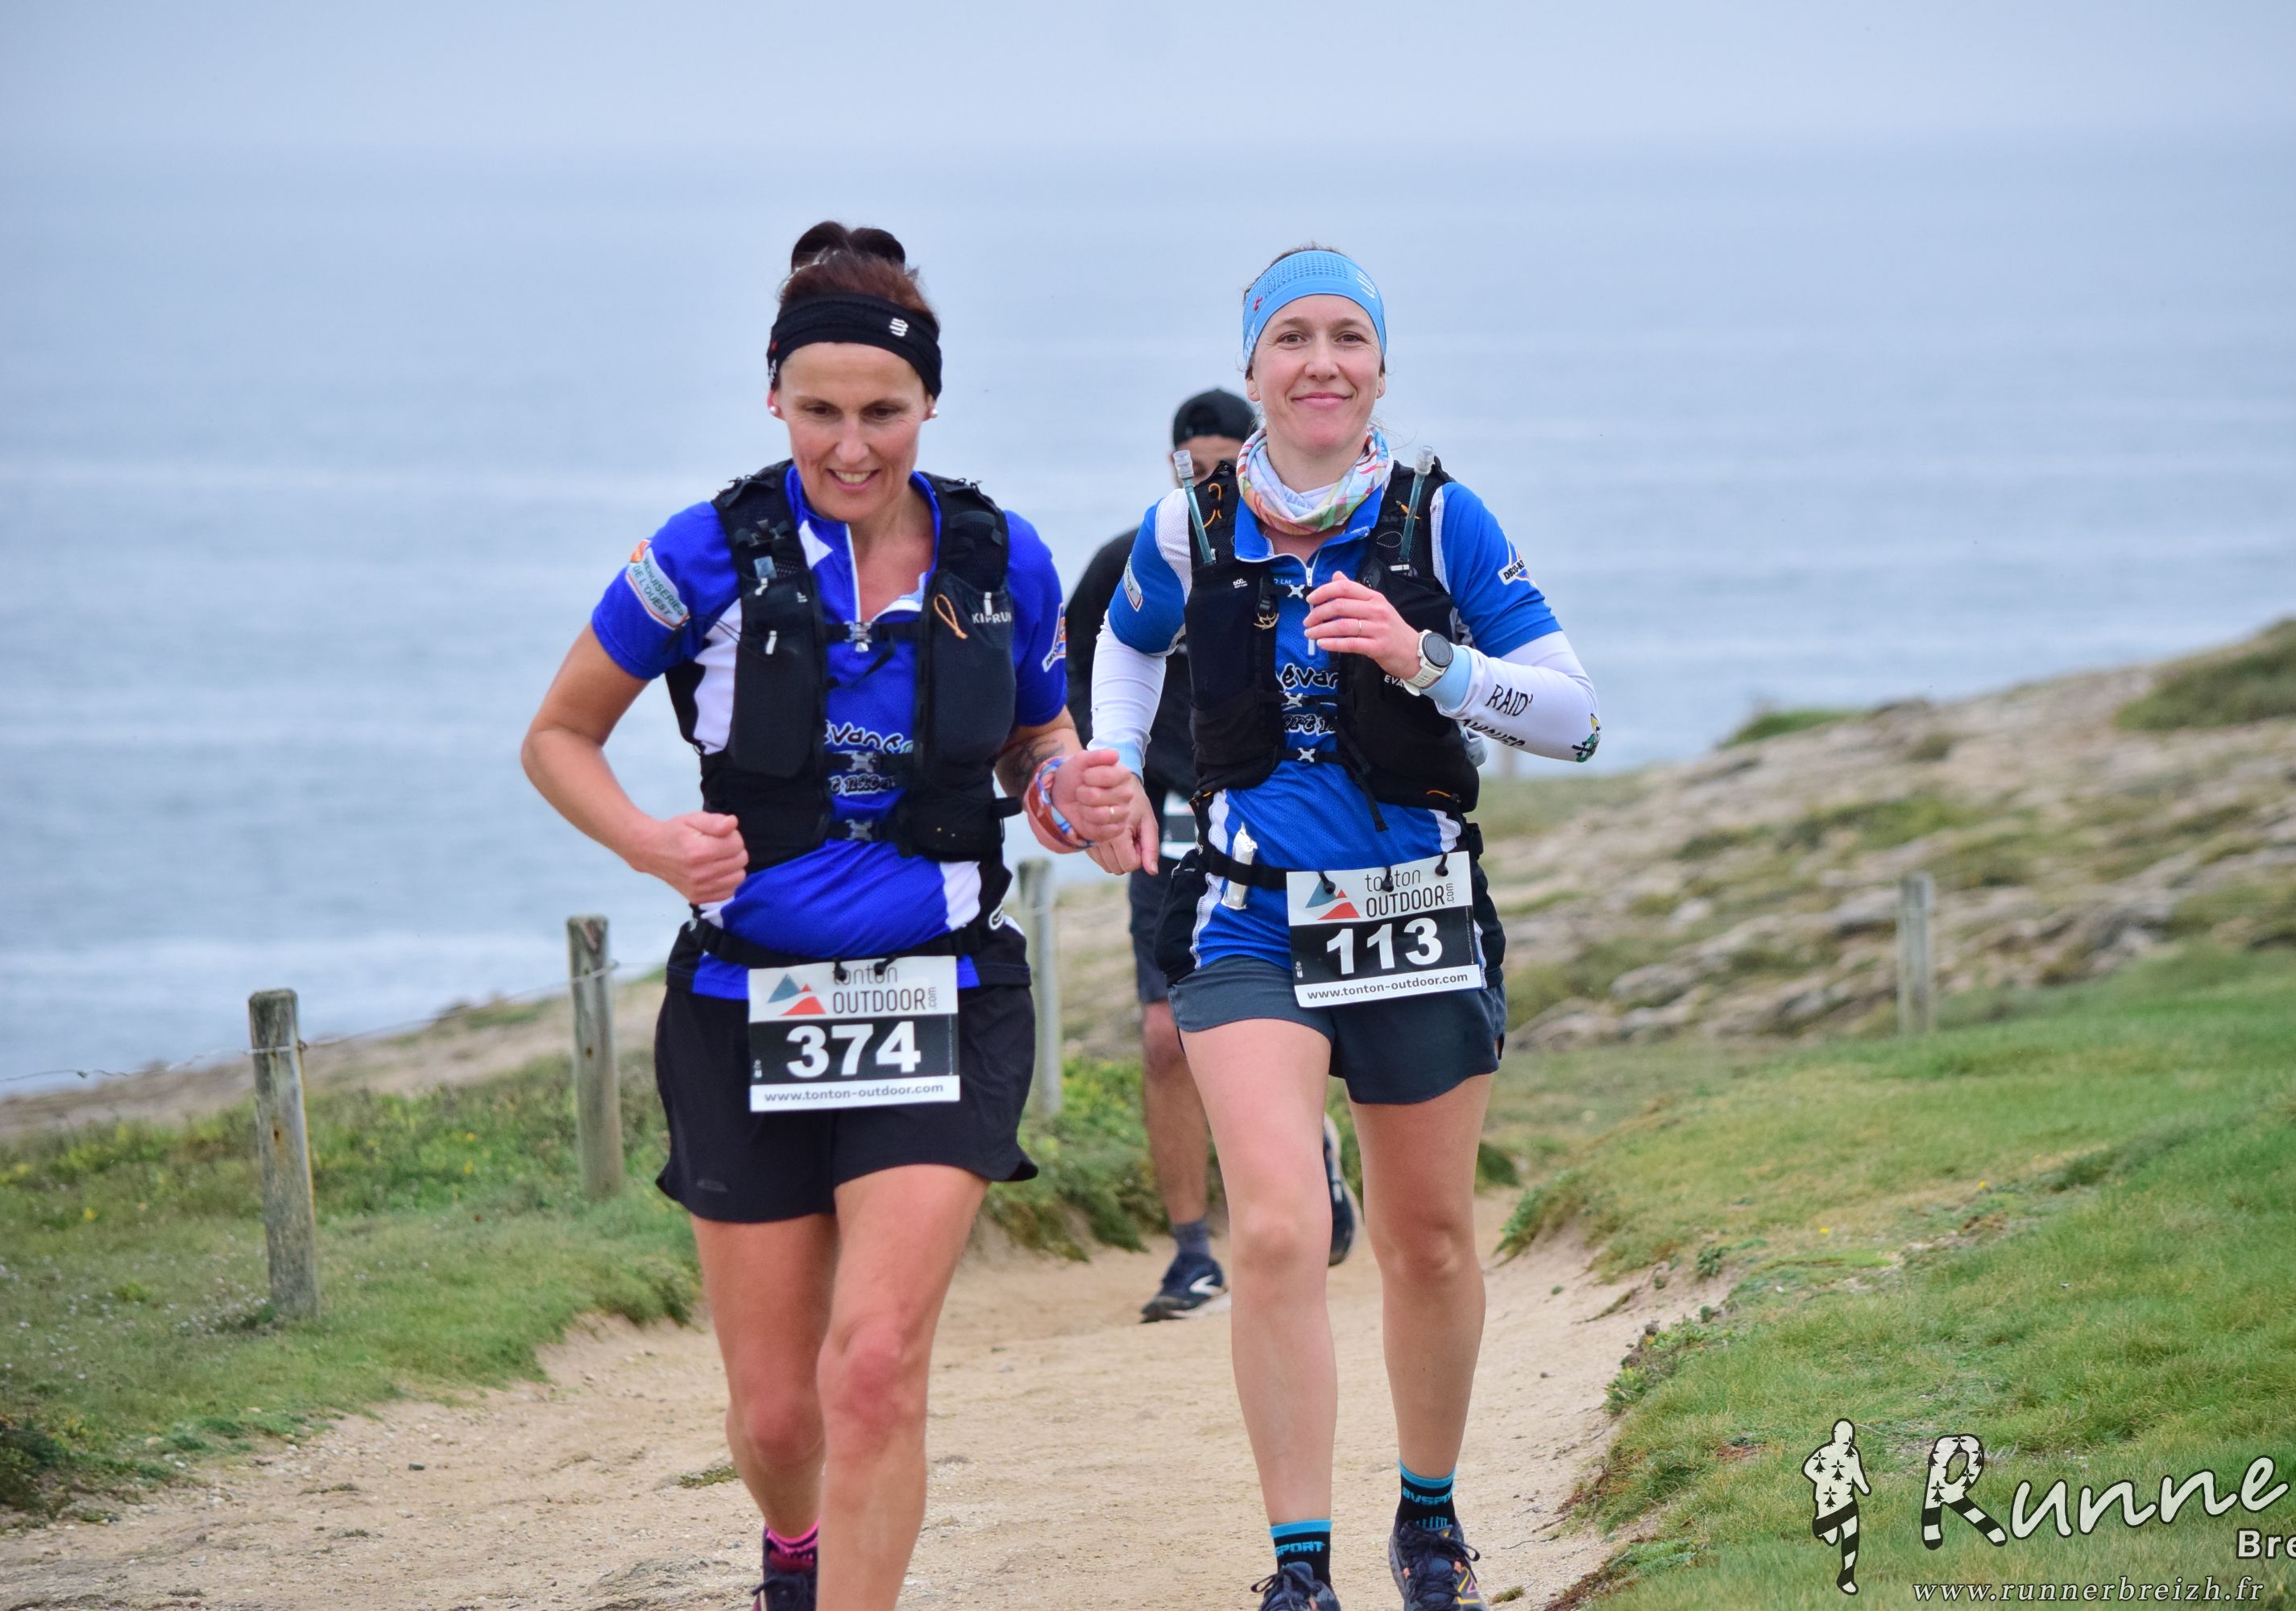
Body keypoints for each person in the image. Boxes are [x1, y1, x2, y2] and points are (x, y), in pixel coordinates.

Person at [521, 222, 1081, 1611]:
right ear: (772, 398)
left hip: (944, 995)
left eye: (882, 412)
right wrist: (654, 844)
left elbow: (1039, 748)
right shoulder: (699, 555)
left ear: (929, 402)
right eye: (820, 411)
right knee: (778, 1419)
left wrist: (1076, 797)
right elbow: (557, 737)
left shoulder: (1001, 557)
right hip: (742, 1005)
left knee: (874, 1366)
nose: (851, 446)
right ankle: (793, 1551)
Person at [1048, 247, 1602, 1610]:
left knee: (1428, 1241)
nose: (1321, 361)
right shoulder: (1190, 523)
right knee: (1282, 1231)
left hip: (1416, 914)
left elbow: (1576, 718)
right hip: (1248, 918)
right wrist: (1114, 761)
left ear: (1381, 370)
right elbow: (1126, 642)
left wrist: (1428, 662)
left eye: (1348, 336)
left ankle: (1428, 1516)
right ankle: (1299, 1566)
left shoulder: (1441, 520)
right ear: (1252, 369)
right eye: (1290, 336)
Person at [1063, 388, 1361, 1324]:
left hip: (1282, 824)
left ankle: (1311, 1153)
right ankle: (1191, 1251)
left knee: (1308, 1019)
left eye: (1223, 467)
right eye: (1190, 469)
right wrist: (1105, 780)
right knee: (1164, 1037)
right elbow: (1081, 673)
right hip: (1172, 828)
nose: (1206, 483)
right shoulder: (1136, 557)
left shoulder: (1300, 556)